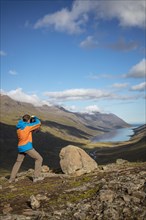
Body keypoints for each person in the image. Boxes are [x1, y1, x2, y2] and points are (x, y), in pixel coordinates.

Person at [9, 114, 44, 183]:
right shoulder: (27, 126)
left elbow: (26, 128)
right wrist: (35, 117)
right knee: (39, 159)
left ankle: (11, 179)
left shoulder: (19, 127)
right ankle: (36, 177)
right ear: (28, 120)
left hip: (20, 147)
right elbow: (38, 123)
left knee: (18, 162)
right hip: (27, 147)